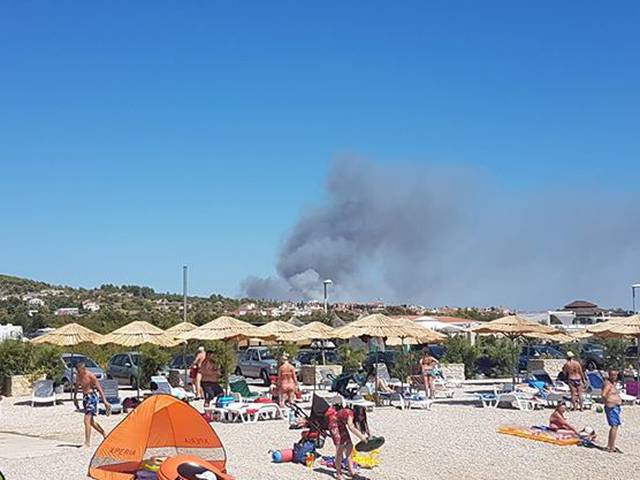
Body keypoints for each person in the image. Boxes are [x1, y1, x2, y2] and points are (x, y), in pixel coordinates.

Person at [325, 403, 369, 480]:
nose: (362, 417)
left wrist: (369, 436)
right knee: (340, 449)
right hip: (333, 424)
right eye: (361, 415)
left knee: (349, 446)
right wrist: (362, 437)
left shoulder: (354, 416)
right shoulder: (350, 414)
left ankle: (351, 471)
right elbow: (351, 427)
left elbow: (359, 427)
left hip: (341, 425)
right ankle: (339, 473)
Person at [73, 362, 110, 447]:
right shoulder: (78, 376)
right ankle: (104, 433)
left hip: (92, 398)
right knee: (91, 422)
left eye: (81, 370)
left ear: (83, 369)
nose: (80, 372)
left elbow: (99, 388)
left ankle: (87, 443)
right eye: (78, 371)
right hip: (85, 398)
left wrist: (105, 401)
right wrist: (75, 398)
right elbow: (76, 387)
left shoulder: (91, 376)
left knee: (86, 420)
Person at [602, 369, 622, 453]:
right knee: (614, 426)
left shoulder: (612, 384)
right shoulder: (608, 384)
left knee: (615, 426)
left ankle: (611, 445)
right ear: (609, 375)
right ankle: (611, 447)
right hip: (612, 407)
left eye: (615, 375)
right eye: (612, 375)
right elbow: (603, 394)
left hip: (615, 407)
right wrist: (609, 402)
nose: (614, 377)